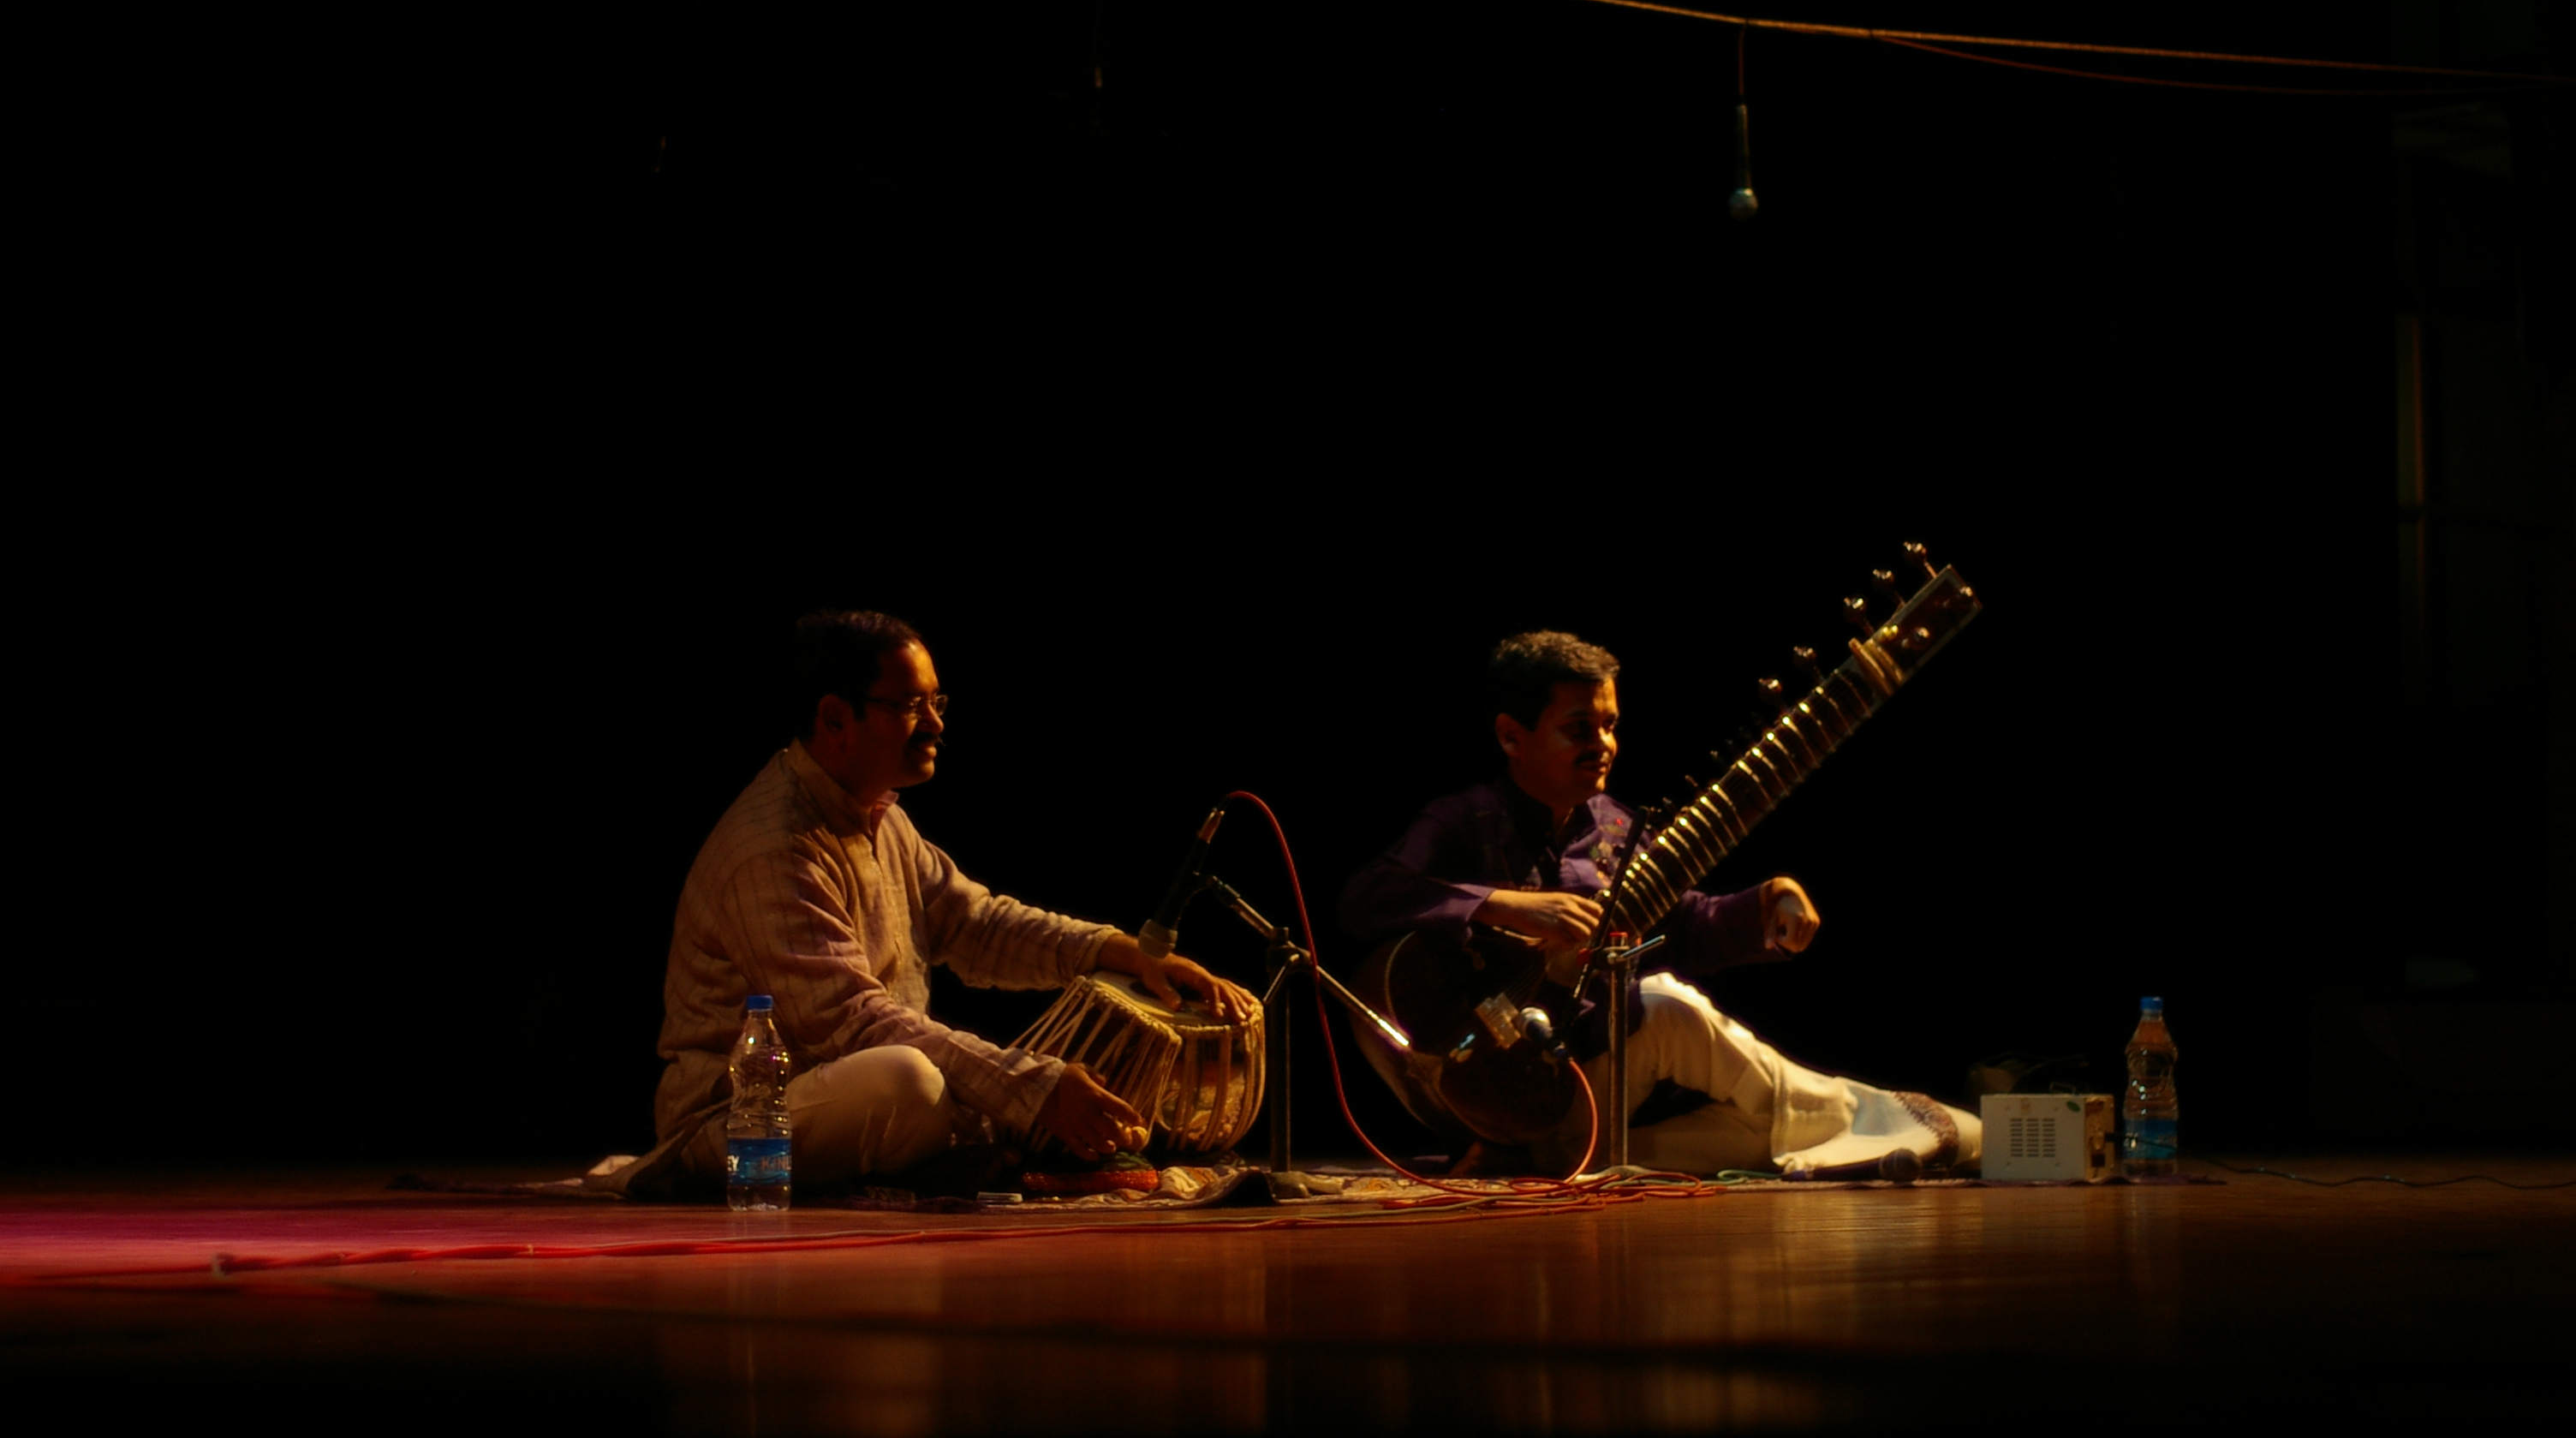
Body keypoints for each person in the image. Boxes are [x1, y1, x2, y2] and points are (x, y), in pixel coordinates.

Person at [634, 609, 1255, 1196]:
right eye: (909, 706)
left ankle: (947, 1157)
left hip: (833, 1101)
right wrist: (1033, 1088)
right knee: (907, 1082)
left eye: (937, 702)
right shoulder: (773, 848)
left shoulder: (881, 818)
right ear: (835, 719)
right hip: (737, 1125)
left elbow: (978, 924)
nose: (935, 724)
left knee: (930, 1082)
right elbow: (854, 1025)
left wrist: (1121, 952)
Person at [1339, 629, 1980, 1177]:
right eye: (1579, 728)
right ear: (1512, 736)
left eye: (1611, 725)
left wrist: (1767, 904)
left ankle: (1913, 1141)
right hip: (1499, 1087)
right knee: (1671, 1007)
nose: (1603, 744)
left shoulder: (1618, 828)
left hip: (1580, 1090)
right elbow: (1367, 898)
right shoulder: (1464, 820)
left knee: (1755, 1131)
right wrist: (1506, 906)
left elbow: (1685, 925)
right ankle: (1907, 1124)